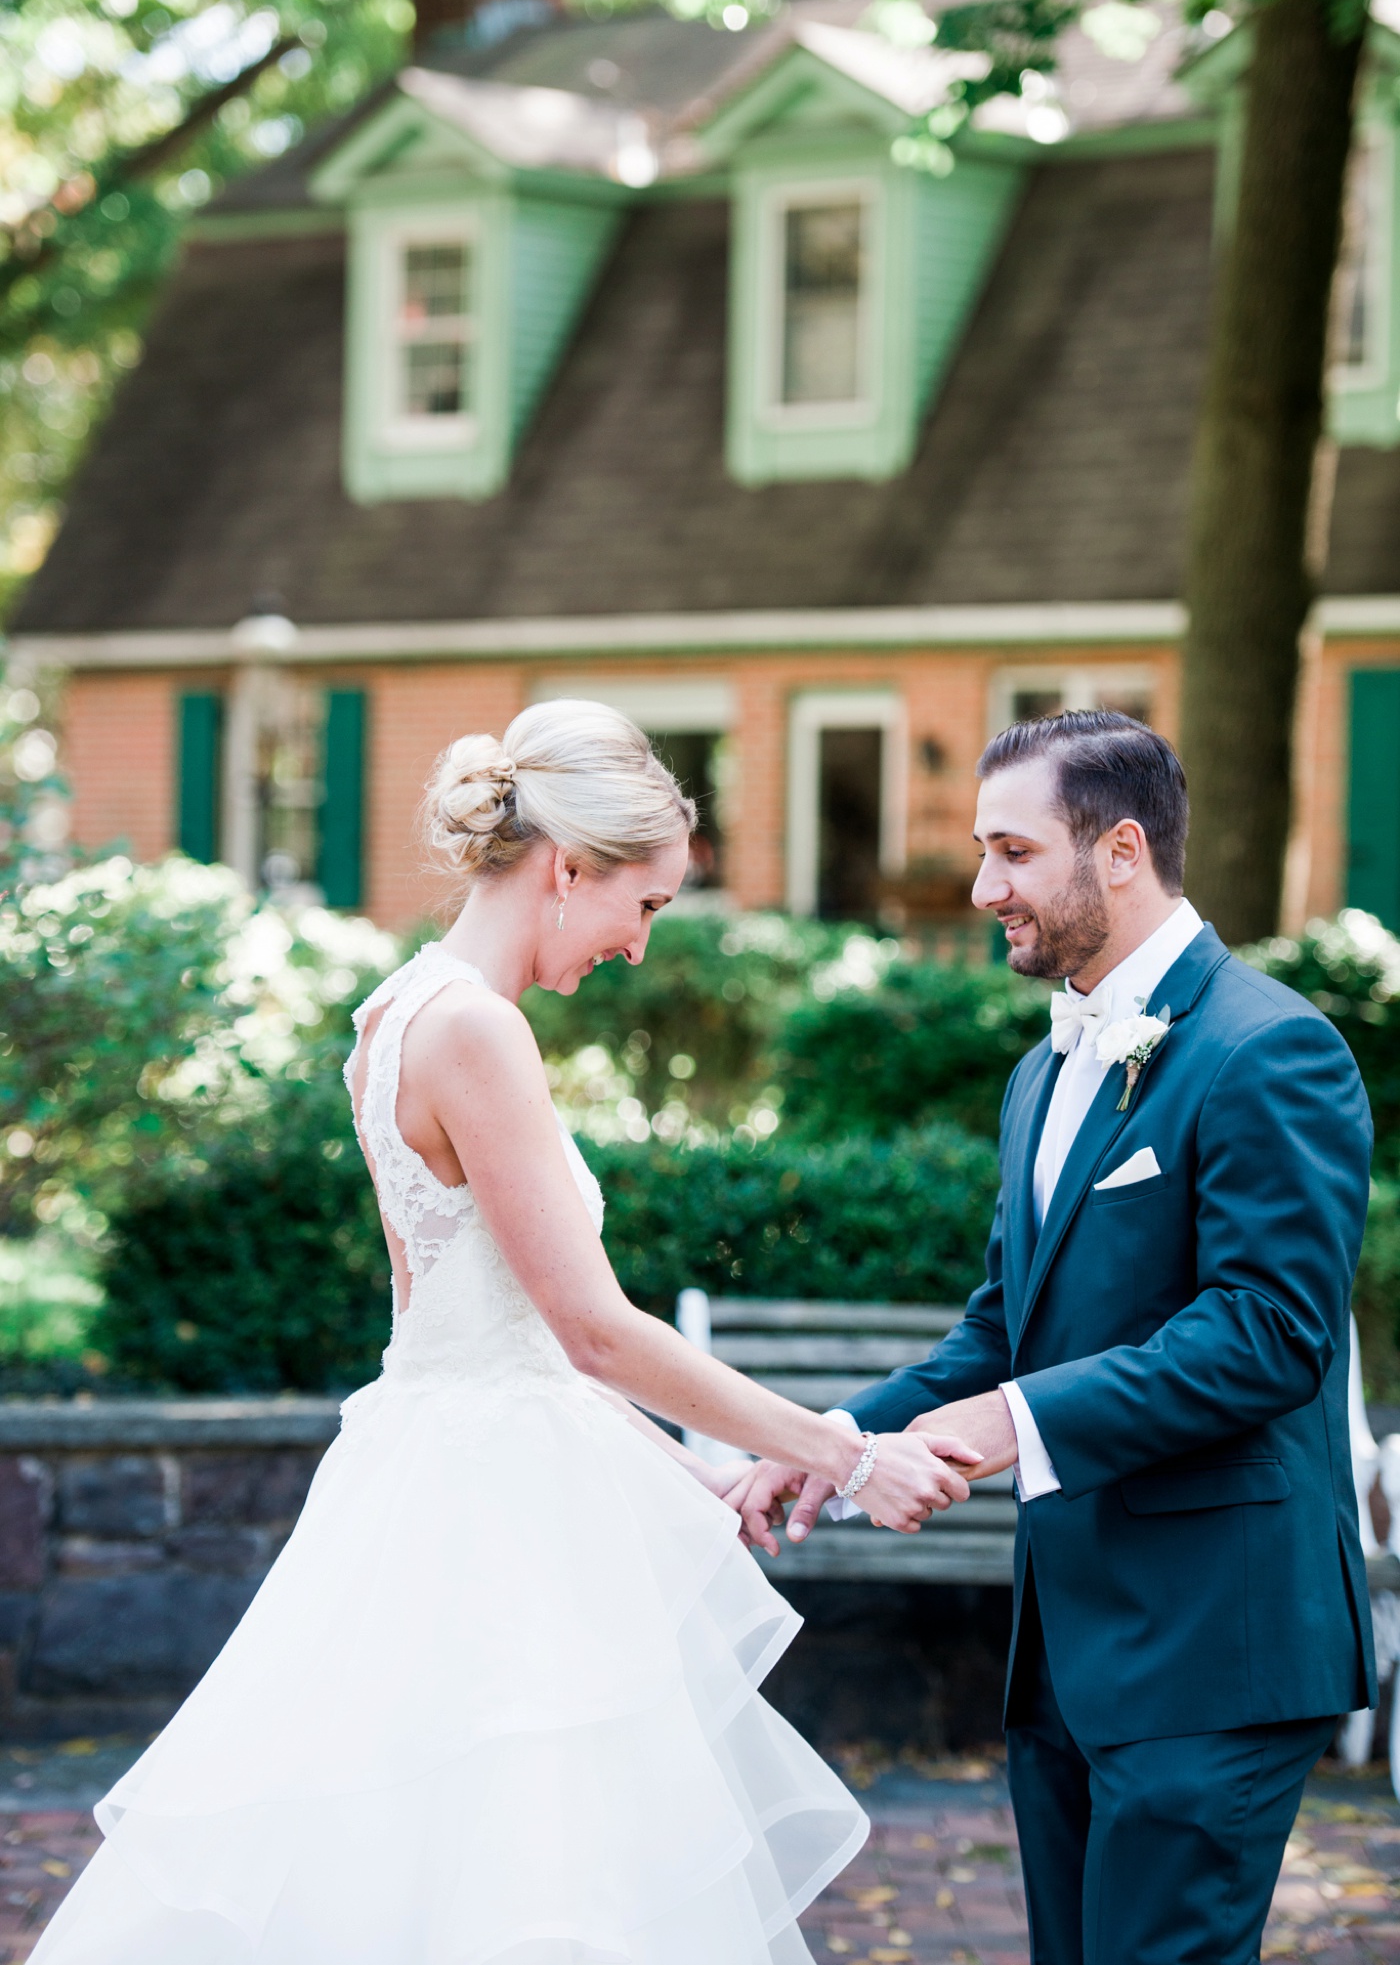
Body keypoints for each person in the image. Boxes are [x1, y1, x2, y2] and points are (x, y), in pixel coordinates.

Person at [32, 700, 976, 1965]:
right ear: (566, 866)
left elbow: (490, 1340)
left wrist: (690, 1476)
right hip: (485, 1530)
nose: (643, 949)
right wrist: (847, 1451)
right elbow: (590, 1331)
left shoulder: (392, 1015)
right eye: (643, 908)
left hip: (445, 1469)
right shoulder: (477, 1028)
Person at [737, 710, 1376, 1965]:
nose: (983, 890)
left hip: (1214, 1644)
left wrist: (1011, 1423)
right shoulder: (1040, 1072)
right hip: (1068, 1649)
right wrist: (828, 1438)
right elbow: (1003, 1326)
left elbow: (1268, 1333)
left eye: (1013, 854)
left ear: (1121, 849)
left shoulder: (1271, 1049)